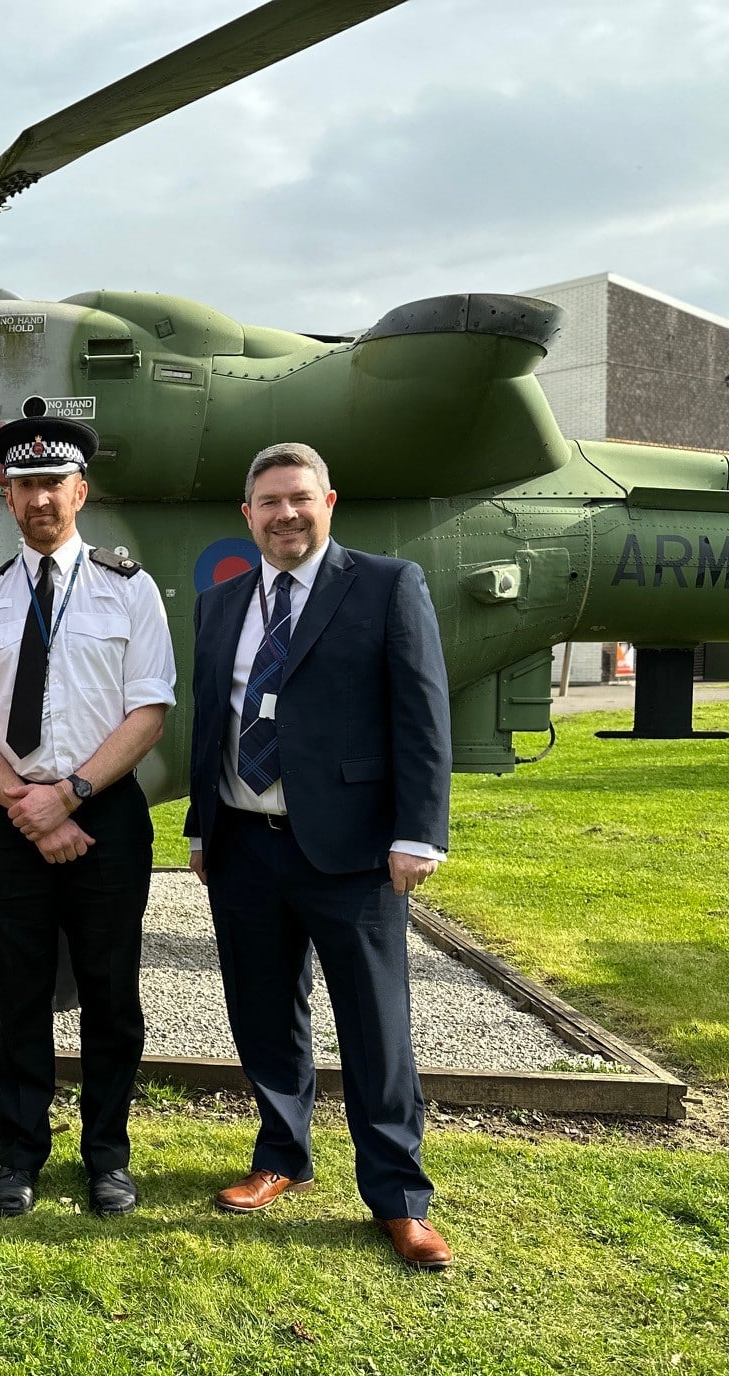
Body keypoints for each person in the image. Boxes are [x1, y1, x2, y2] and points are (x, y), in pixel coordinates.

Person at [185, 441, 454, 1270]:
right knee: (265, 1014)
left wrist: (419, 833)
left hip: (353, 852)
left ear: (329, 501)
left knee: (375, 1027)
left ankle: (399, 1198)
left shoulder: (385, 586)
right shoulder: (221, 603)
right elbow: (213, 723)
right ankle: (281, 1158)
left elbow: (421, 713)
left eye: (299, 498)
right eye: (269, 502)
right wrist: (202, 826)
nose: (285, 515)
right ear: (248, 516)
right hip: (244, 844)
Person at [0, 415, 175, 1220]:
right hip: (12, 817)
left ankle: (108, 1156)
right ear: (5, 496)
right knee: (20, 995)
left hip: (104, 815)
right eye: (22, 485)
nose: (38, 498)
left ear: (80, 491)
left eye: (52, 483)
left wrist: (69, 796)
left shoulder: (130, 589)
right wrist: (29, 806)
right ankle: (20, 1158)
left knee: (111, 996)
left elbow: (149, 710)